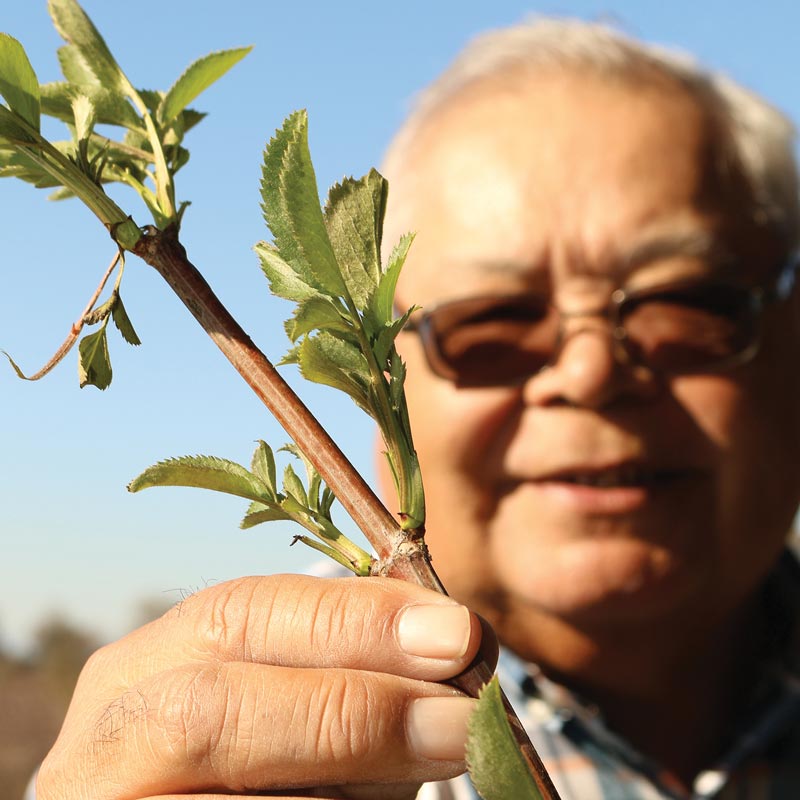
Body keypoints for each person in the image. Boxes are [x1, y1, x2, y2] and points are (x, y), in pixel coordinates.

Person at [32, 17, 800, 800]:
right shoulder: (267, 768)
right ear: (371, 372)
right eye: (489, 325)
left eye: (683, 307)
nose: (591, 371)